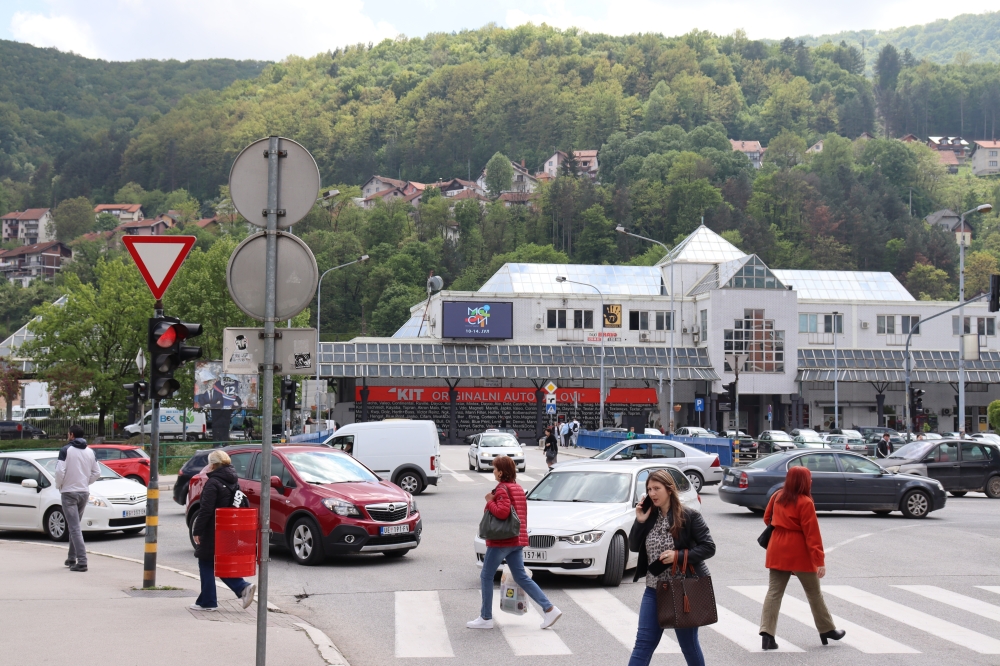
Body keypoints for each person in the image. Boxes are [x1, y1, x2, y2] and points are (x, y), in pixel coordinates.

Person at [628, 469, 715, 666]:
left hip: (682, 589)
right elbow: (634, 546)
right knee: (643, 643)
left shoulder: (689, 516)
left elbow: (709, 547)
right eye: (649, 489)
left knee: (688, 645)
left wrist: (678, 555)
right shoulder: (649, 516)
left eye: (657, 488)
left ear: (669, 489)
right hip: (654, 589)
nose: (652, 493)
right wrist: (639, 521)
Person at [468, 456, 561, 630]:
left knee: (486, 576)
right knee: (521, 577)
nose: (494, 471)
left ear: (501, 472)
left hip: (502, 541)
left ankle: (486, 617)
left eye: (495, 469)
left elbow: (502, 513)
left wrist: (489, 502)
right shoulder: (517, 488)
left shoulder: (502, 489)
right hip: (516, 540)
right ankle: (550, 609)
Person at [759, 466, 845, 650]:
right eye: (810, 478)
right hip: (799, 551)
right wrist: (819, 561)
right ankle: (827, 629)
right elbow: (812, 535)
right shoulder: (805, 502)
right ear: (804, 481)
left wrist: (782, 526)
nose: (811, 481)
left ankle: (767, 634)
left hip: (777, 548)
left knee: (774, 592)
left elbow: (767, 519)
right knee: (814, 592)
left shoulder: (777, 496)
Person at [191, 450, 257, 612]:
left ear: (213, 465)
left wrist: (197, 530)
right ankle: (241, 588)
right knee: (220, 563)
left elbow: (205, 510)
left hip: (213, 530)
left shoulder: (213, 483)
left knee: (206, 562)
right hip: (229, 529)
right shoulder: (234, 480)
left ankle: (209, 601)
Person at [55, 425, 101, 572]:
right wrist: (86, 482)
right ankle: (71, 558)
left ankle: (82, 562)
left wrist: (60, 485)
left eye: (68, 434)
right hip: (83, 492)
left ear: (72, 435)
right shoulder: (90, 451)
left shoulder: (65, 450)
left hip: (69, 492)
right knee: (75, 526)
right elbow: (97, 472)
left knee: (74, 528)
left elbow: (59, 472)